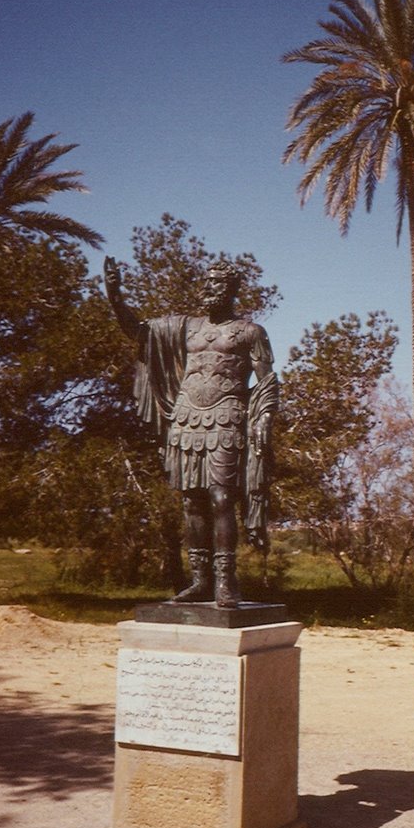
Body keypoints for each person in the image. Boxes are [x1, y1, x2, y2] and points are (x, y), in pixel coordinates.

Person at [104, 256, 278, 607]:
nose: (207, 288)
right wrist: (115, 296)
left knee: (221, 498)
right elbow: (139, 332)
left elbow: (268, 382)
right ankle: (200, 581)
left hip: (227, 417)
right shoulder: (187, 327)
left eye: (215, 283)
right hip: (187, 419)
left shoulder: (250, 332)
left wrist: (263, 419)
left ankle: (226, 583)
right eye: (207, 282)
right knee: (191, 501)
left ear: (230, 289)